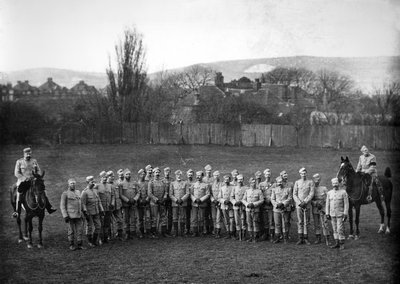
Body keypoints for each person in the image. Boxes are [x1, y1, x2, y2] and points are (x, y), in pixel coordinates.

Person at [14, 147, 56, 215]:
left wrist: (37, 176)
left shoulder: (34, 161)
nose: (28, 156)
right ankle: (17, 211)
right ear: (24, 154)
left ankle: (49, 208)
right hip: (23, 182)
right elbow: (16, 173)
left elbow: (38, 170)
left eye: (29, 154)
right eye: (27, 154)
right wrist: (24, 178)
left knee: (42, 190)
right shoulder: (19, 162)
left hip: (33, 181)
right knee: (19, 194)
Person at [60, 178, 84, 250]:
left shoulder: (78, 192)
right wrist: (65, 216)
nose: (73, 185)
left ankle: (80, 244)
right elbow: (62, 206)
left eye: (74, 183)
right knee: (71, 231)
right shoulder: (65, 194)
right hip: (70, 216)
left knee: (80, 230)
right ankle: (71, 245)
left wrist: (83, 212)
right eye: (71, 183)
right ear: (68, 184)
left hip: (78, 215)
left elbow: (80, 203)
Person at [293, 167, 315, 245]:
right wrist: (299, 203)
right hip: (299, 205)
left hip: (307, 205)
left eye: (305, 173)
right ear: (300, 174)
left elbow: (311, 193)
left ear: (306, 173)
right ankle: (300, 238)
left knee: (306, 221)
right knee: (300, 221)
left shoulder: (310, 182)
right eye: (302, 174)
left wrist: (305, 201)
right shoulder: (297, 182)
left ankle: (306, 238)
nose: (303, 175)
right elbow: (294, 194)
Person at [326, 178, 349, 250]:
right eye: (333, 184)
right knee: (334, 229)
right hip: (332, 214)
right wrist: (327, 213)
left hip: (340, 213)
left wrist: (345, 213)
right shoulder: (329, 193)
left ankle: (342, 243)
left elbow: (346, 204)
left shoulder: (343, 192)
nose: (335, 185)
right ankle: (337, 242)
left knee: (340, 229)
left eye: (336, 183)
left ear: (338, 184)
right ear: (332, 184)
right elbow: (327, 204)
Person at [81, 176, 104, 247]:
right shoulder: (85, 192)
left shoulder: (95, 190)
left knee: (98, 226)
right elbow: (83, 203)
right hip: (89, 213)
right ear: (87, 182)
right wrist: (85, 212)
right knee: (90, 227)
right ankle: (90, 241)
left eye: (93, 181)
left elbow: (99, 201)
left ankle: (94, 240)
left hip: (96, 211)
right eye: (91, 181)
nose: (93, 183)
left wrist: (102, 209)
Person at [311, 173, 331, 246]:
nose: (317, 181)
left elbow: (328, 198)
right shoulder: (312, 189)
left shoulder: (324, 188)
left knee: (325, 223)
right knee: (316, 224)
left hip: (323, 208)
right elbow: (310, 199)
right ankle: (318, 238)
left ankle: (327, 237)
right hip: (315, 208)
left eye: (318, 179)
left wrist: (322, 204)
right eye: (315, 179)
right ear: (313, 180)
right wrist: (315, 203)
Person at [242, 177, 264, 243]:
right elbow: (243, 199)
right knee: (249, 223)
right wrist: (247, 204)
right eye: (252, 182)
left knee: (255, 222)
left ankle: (255, 237)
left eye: (254, 182)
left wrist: (254, 204)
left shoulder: (259, 191)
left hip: (255, 209)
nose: (253, 184)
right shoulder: (247, 191)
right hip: (248, 209)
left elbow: (262, 200)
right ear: (249, 183)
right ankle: (250, 236)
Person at [148, 167, 168, 237]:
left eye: (158, 172)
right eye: (156, 172)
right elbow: (149, 193)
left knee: (163, 217)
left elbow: (166, 192)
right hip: (154, 203)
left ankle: (163, 232)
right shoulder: (151, 182)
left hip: (162, 202)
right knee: (154, 218)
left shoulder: (163, 182)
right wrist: (156, 200)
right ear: (153, 174)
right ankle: (153, 233)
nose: (157, 174)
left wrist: (164, 198)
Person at [271, 176, 292, 244]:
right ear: (276, 183)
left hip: (285, 209)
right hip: (276, 209)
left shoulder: (288, 189)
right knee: (277, 224)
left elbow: (289, 198)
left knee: (285, 223)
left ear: (283, 182)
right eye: (278, 182)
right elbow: (272, 199)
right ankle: (277, 237)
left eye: (281, 182)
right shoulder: (274, 189)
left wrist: (283, 204)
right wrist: (277, 205)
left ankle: (285, 237)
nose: (280, 183)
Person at [169, 170, 190, 237]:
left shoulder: (185, 183)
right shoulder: (172, 183)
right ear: (175, 175)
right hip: (175, 203)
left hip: (182, 203)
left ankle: (182, 232)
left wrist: (182, 199)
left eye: (180, 175)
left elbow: (187, 193)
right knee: (175, 218)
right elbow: (170, 194)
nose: (179, 176)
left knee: (182, 217)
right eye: (177, 175)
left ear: (181, 175)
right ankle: (175, 232)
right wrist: (175, 200)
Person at [190, 171, 210, 236]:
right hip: (195, 203)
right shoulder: (193, 184)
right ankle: (194, 232)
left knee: (201, 217)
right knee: (194, 218)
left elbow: (208, 194)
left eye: (199, 175)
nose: (198, 177)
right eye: (197, 175)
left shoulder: (205, 185)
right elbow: (190, 194)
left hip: (202, 203)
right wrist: (195, 199)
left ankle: (201, 231)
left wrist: (201, 200)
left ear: (202, 176)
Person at [120, 169, 139, 240]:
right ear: (124, 175)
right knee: (126, 219)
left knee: (133, 218)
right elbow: (121, 194)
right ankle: (127, 233)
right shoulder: (121, 184)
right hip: (126, 205)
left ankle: (133, 233)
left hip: (133, 204)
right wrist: (127, 201)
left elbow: (138, 192)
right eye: (126, 174)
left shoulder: (134, 183)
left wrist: (135, 199)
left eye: (129, 174)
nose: (128, 176)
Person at [95, 171, 112, 244]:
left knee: (107, 223)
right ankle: (100, 238)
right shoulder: (97, 186)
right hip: (101, 209)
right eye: (103, 177)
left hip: (108, 207)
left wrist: (111, 203)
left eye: (106, 177)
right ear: (100, 178)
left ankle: (106, 237)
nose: (105, 178)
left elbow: (111, 195)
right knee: (100, 224)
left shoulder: (109, 186)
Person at [108, 171, 124, 240]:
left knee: (120, 220)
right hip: (109, 205)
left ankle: (119, 234)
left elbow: (120, 195)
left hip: (117, 205)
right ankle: (108, 235)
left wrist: (121, 204)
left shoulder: (117, 184)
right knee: (108, 221)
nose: (113, 177)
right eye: (111, 176)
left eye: (113, 176)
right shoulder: (105, 185)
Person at [230, 174, 246, 240]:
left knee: (243, 221)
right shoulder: (234, 188)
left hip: (243, 207)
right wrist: (235, 202)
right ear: (237, 180)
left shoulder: (246, 188)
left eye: (241, 179)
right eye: (239, 179)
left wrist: (241, 202)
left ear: (243, 180)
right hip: (236, 207)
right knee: (237, 221)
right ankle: (238, 233)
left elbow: (246, 197)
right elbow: (231, 197)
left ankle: (243, 235)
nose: (240, 181)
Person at [136, 169, 151, 238]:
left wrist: (147, 199)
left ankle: (148, 231)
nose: (143, 175)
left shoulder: (147, 183)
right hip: (139, 203)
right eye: (141, 174)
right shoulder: (136, 183)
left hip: (147, 203)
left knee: (147, 217)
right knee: (140, 218)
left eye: (144, 174)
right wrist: (140, 200)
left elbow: (149, 192)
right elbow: (136, 193)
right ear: (139, 175)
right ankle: (141, 232)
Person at [210, 171, 222, 237]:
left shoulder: (222, 184)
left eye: (217, 175)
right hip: (213, 203)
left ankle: (218, 232)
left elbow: (222, 194)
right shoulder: (211, 185)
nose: (216, 177)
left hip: (219, 203)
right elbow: (210, 194)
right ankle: (215, 231)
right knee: (214, 217)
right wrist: (213, 200)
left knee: (218, 218)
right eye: (215, 175)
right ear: (213, 176)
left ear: (219, 176)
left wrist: (219, 201)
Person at [202, 164, 214, 235]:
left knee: (212, 215)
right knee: (205, 215)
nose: (208, 172)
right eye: (207, 171)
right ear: (205, 171)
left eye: (210, 171)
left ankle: (212, 229)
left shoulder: (213, 179)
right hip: (205, 199)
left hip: (212, 199)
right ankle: (206, 229)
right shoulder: (203, 179)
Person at [162, 167, 174, 236]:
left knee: (170, 216)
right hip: (164, 200)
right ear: (164, 172)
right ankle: (163, 231)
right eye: (166, 171)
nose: (167, 173)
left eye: (168, 171)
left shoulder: (172, 180)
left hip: (170, 200)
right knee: (163, 215)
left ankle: (169, 231)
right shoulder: (162, 180)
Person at [185, 169, 195, 235]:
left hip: (194, 201)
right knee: (187, 216)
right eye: (189, 175)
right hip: (187, 201)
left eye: (191, 175)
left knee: (194, 216)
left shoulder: (195, 182)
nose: (190, 176)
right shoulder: (184, 182)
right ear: (187, 175)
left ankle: (194, 229)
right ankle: (187, 229)